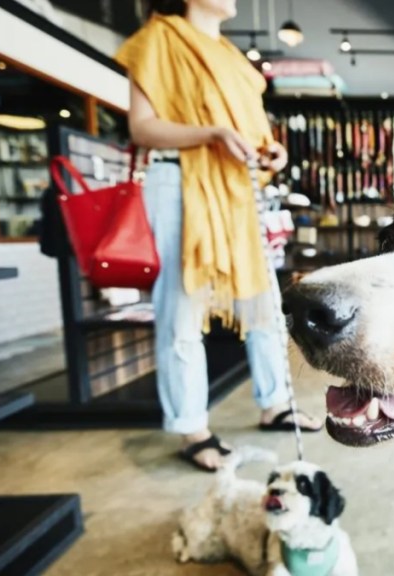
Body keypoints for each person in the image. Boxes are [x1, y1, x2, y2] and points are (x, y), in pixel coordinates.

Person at [115, 0, 323, 472]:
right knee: (183, 303)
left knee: (264, 302)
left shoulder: (233, 58)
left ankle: (275, 403)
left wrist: (273, 154)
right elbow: (141, 127)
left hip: (236, 188)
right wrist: (208, 133)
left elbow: (251, 133)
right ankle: (192, 428)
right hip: (181, 181)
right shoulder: (159, 38)